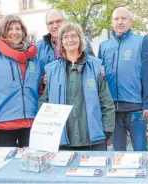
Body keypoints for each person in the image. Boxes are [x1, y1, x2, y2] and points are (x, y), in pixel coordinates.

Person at [44, 22, 115, 151]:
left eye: (74, 36)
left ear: (80, 40)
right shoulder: (51, 70)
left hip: (93, 139)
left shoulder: (95, 66)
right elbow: (45, 103)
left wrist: (106, 129)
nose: (70, 40)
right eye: (66, 37)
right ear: (61, 42)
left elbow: (106, 102)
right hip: (62, 139)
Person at [98, 7, 148, 151]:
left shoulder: (142, 41)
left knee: (140, 148)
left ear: (130, 21)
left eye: (124, 18)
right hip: (112, 108)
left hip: (135, 106)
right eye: (116, 19)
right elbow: (100, 77)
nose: (120, 22)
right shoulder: (104, 46)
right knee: (118, 151)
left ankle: (144, 171)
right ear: (112, 22)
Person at [0, 15, 41, 147]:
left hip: (32, 124)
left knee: (32, 166)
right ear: (3, 32)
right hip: (3, 126)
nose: (14, 32)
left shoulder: (34, 57)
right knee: (5, 167)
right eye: (10, 29)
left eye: (18, 28)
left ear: (23, 32)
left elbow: (39, 89)